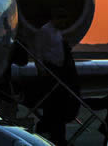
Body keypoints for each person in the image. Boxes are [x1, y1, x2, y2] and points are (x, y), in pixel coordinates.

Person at [32, 8, 82, 146]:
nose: (64, 24)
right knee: (53, 107)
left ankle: (59, 137)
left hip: (59, 71)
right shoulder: (44, 31)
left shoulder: (57, 32)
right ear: (56, 19)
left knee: (60, 107)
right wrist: (41, 69)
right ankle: (55, 137)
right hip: (50, 72)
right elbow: (38, 51)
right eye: (62, 21)